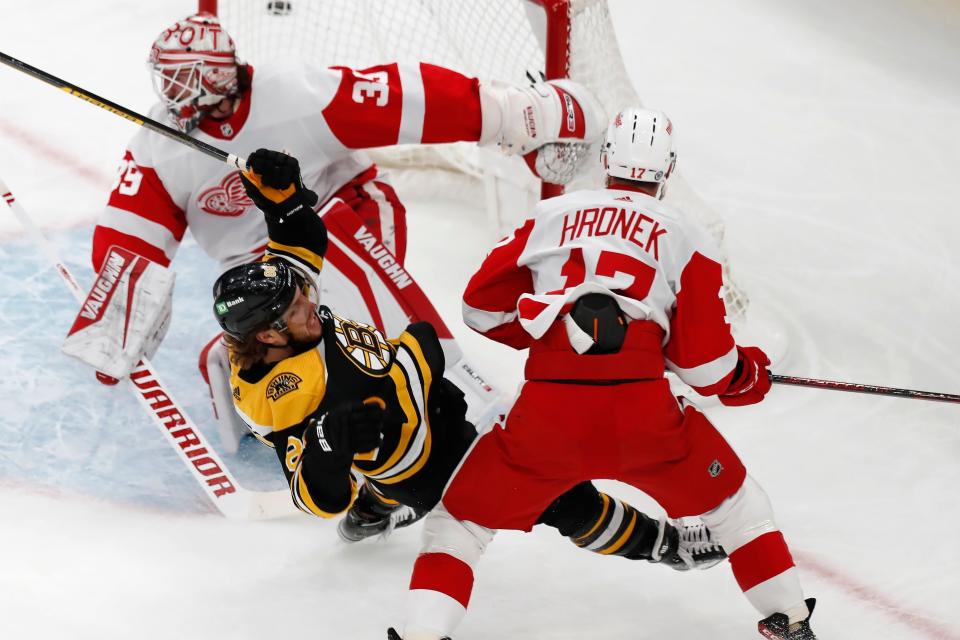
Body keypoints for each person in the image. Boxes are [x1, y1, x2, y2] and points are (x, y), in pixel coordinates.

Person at [61, 11, 603, 452]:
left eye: (179, 79)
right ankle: (302, 430)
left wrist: (511, 114)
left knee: (341, 307)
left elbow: (399, 98)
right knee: (258, 346)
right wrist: (120, 312)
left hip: (348, 216)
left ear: (214, 80)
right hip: (265, 270)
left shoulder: (291, 93)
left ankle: (451, 391)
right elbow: (130, 232)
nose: (168, 93)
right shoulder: (161, 143)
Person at [392, 108, 818, 640]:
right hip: (646, 420)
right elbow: (706, 368)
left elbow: (480, 308)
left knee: (457, 525)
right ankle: (790, 621)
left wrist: (547, 335)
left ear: (605, 160)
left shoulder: (552, 215)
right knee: (739, 509)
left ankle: (421, 635)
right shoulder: (685, 231)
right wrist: (745, 375)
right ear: (667, 170)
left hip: (545, 418)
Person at [212, 148, 727, 563]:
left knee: (382, 455)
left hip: (417, 405)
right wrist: (328, 446)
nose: (309, 299)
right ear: (267, 339)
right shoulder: (279, 395)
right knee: (559, 498)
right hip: (429, 461)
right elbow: (316, 497)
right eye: (295, 308)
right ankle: (665, 546)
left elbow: (299, 246)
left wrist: (284, 207)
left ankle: (375, 510)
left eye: (301, 295)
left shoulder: (280, 312)